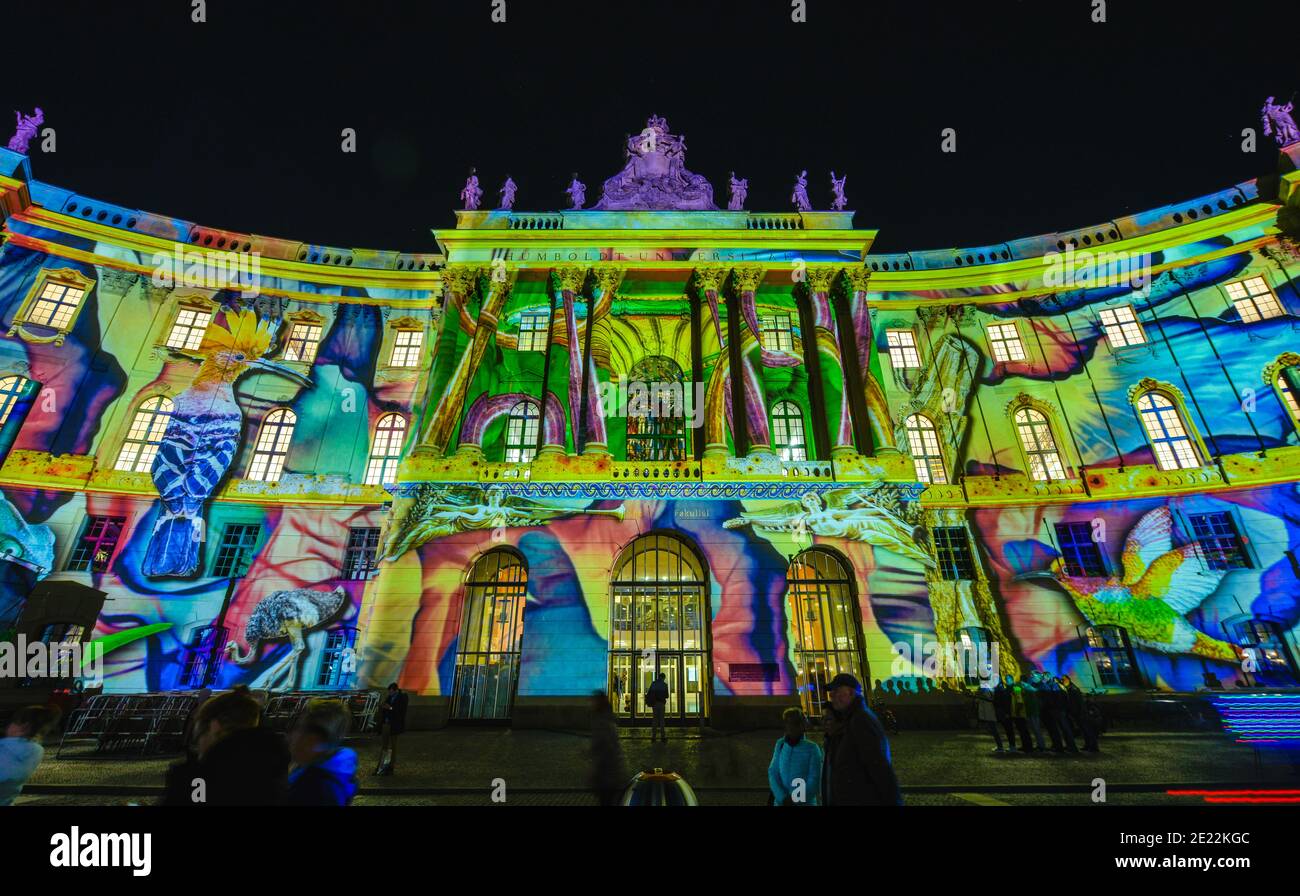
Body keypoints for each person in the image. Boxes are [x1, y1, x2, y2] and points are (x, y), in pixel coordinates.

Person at [162, 685, 289, 806]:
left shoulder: (198, 778)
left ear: (214, 726)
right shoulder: (274, 771)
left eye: (200, 733)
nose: (198, 742)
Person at [822, 673, 903, 806]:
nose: (831, 695)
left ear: (851, 692)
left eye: (836, 691)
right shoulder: (853, 719)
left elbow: (880, 767)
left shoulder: (861, 720)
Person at [287, 699, 358, 806]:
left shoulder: (312, 789)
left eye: (298, 728)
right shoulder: (332, 776)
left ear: (314, 739)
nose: (291, 736)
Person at [0, 705, 61, 806]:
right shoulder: (36, 750)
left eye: (13, 722)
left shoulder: (5, 748)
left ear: (24, 726)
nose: (8, 726)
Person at [768, 708, 823, 806]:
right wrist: (782, 798)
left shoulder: (812, 748)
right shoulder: (780, 744)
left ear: (802, 725)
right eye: (788, 723)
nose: (791, 727)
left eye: (795, 723)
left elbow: (814, 780)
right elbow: (773, 773)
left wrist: (795, 799)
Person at [588, 692, 627, 806]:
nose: (591, 705)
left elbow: (606, 750)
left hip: (607, 778)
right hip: (610, 777)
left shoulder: (603, 724)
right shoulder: (607, 721)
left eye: (593, 702)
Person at [375, 682, 407, 776]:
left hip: (394, 725)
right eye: (389, 692)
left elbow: (402, 711)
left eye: (391, 692)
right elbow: (386, 707)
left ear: (396, 690)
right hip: (386, 723)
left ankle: (390, 767)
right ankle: (381, 767)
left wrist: (391, 708)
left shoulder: (403, 697)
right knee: (385, 746)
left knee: (393, 746)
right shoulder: (389, 697)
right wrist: (384, 706)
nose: (390, 693)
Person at [1061, 675, 1099, 752]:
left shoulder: (1073, 689)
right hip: (1077, 713)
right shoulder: (1069, 689)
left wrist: (1081, 712)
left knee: (1087, 730)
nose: (1063, 681)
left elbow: (1079, 702)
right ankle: (1088, 745)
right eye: (1063, 680)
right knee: (1084, 730)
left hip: (1081, 713)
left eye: (1065, 680)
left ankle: (1093, 746)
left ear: (1069, 680)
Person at [975, 680, 1004, 753]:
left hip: (990, 713)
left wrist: (980, 695)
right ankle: (999, 746)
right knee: (993, 729)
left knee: (994, 730)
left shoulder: (989, 691)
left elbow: (990, 699)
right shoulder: (987, 691)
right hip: (987, 713)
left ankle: (1000, 746)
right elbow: (977, 701)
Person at [1020, 673, 1046, 752]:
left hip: (1035, 710)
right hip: (1030, 710)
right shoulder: (1032, 684)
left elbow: (1038, 693)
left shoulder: (1041, 685)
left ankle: (1041, 746)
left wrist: (1029, 687)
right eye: (1031, 676)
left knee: (1037, 729)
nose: (1032, 677)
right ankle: (1039, 745)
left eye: (1033, 676)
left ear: (1039, 677)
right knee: (1034, 729)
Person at [1007, 674, 1033, 753]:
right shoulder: (1021, 687)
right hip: (1020, 712)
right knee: (1023, 730)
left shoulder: (1017, 687)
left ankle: (1027, 747)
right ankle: (1026, 746)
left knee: (1023, 730)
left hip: (1019, 713)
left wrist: (1017, 711)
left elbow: (1019, 700)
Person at [993, 675, 1016, 753]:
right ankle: (1011, 746)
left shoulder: (1001, 689)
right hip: (1003, 712)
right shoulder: (1001, 688)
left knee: (1009, 729)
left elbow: (1004, 702)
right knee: (1007, 729)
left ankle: (1012, 746)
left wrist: (1006, 712)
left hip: (1005, 712)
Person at [645, 673, 669, 743]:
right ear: (663, 678)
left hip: (655, 704)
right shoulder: (664, 685)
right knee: (661, 720)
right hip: (661, 704)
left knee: (655, 719)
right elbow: (667, 696)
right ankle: (663, 736)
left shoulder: (653, 684)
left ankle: (653, 736)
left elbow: (649, 693)